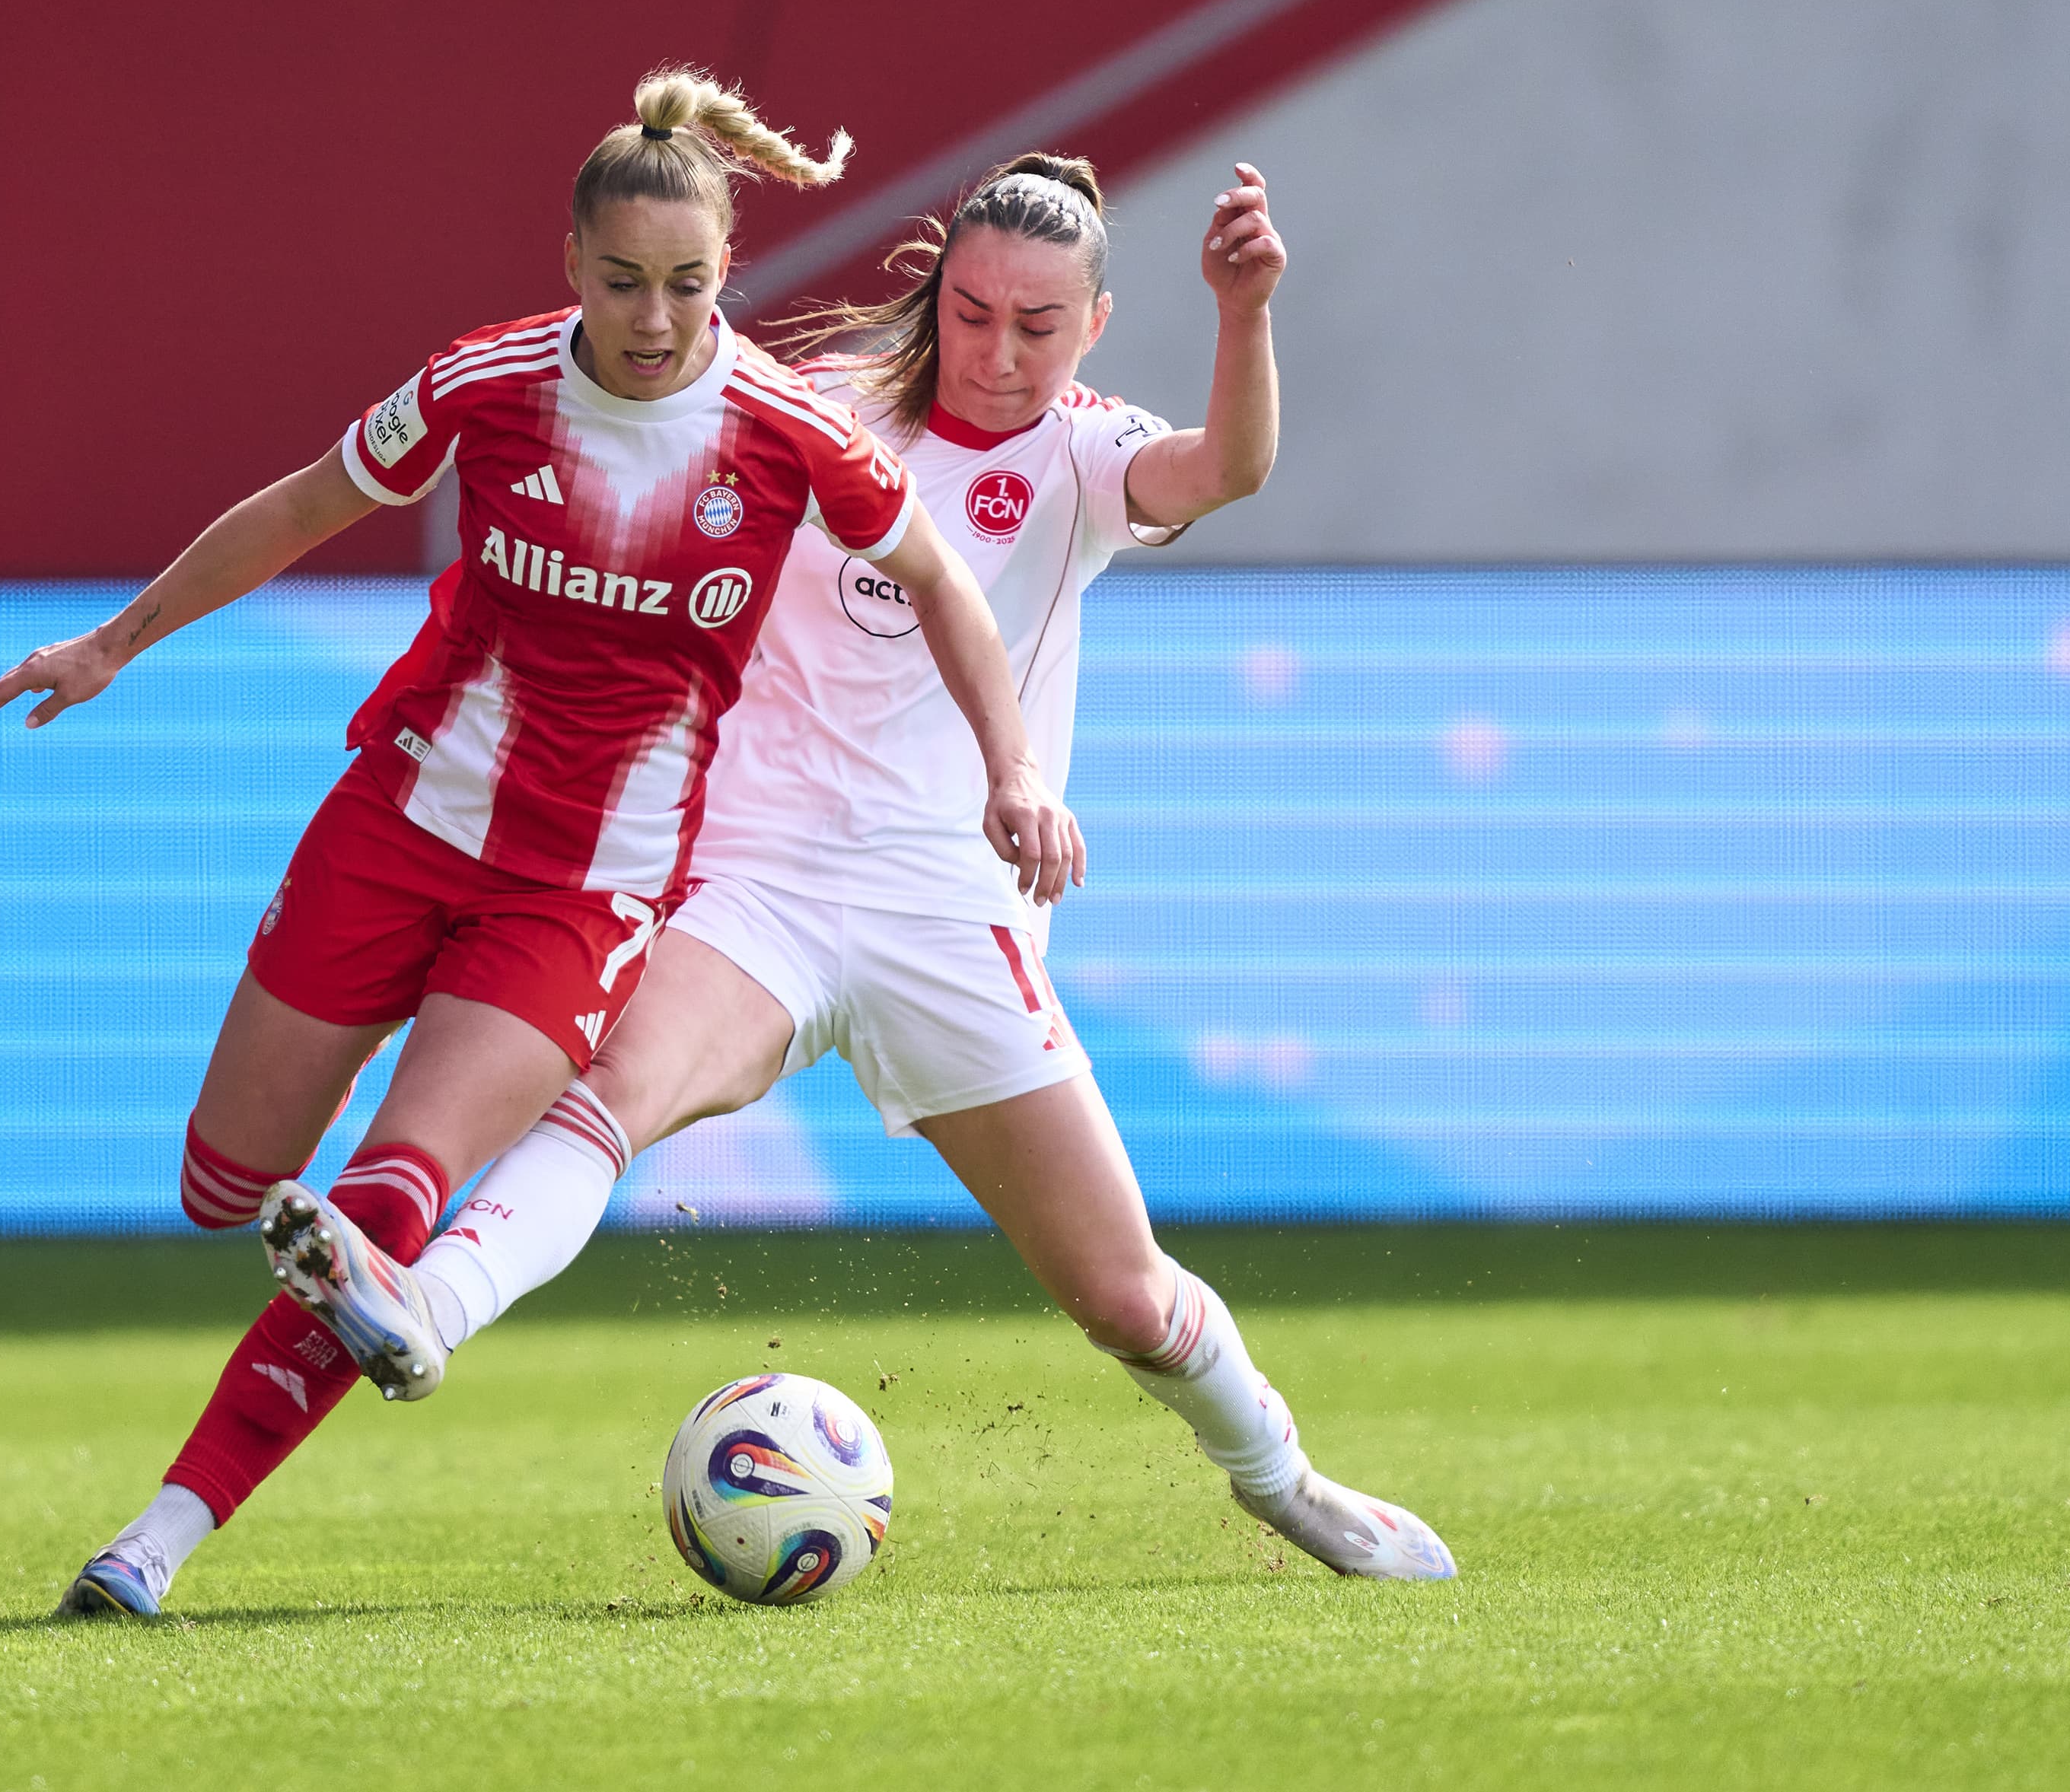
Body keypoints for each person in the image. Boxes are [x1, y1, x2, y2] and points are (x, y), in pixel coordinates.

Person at [0, 70, 1081, 1618]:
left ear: (723, 279)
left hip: (583, 896)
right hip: (404, 822)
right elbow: (301, 510)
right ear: (572, 267)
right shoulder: (482, 384)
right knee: (225, 1188)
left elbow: (946, 582)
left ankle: (154, 1541)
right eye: (624, 283)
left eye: (689, 285)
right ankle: (336, 1241)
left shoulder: (778, 427)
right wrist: (116, 642)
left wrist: (1012, 765)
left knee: (394, 1194)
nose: (655, 318)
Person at [269, 153, 1457, 1584]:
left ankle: (1291, 1486)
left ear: (1091, 327)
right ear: (934, 294)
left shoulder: (1081, 453)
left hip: (946, 909)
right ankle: (429, 1310)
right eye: (973, 314)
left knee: (1121, 1295)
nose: (1000, 352)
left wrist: (1246, 312)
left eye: (1037, 324)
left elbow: (1229, 469)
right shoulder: (810, 409)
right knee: (613, 1096)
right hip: (754, 883)